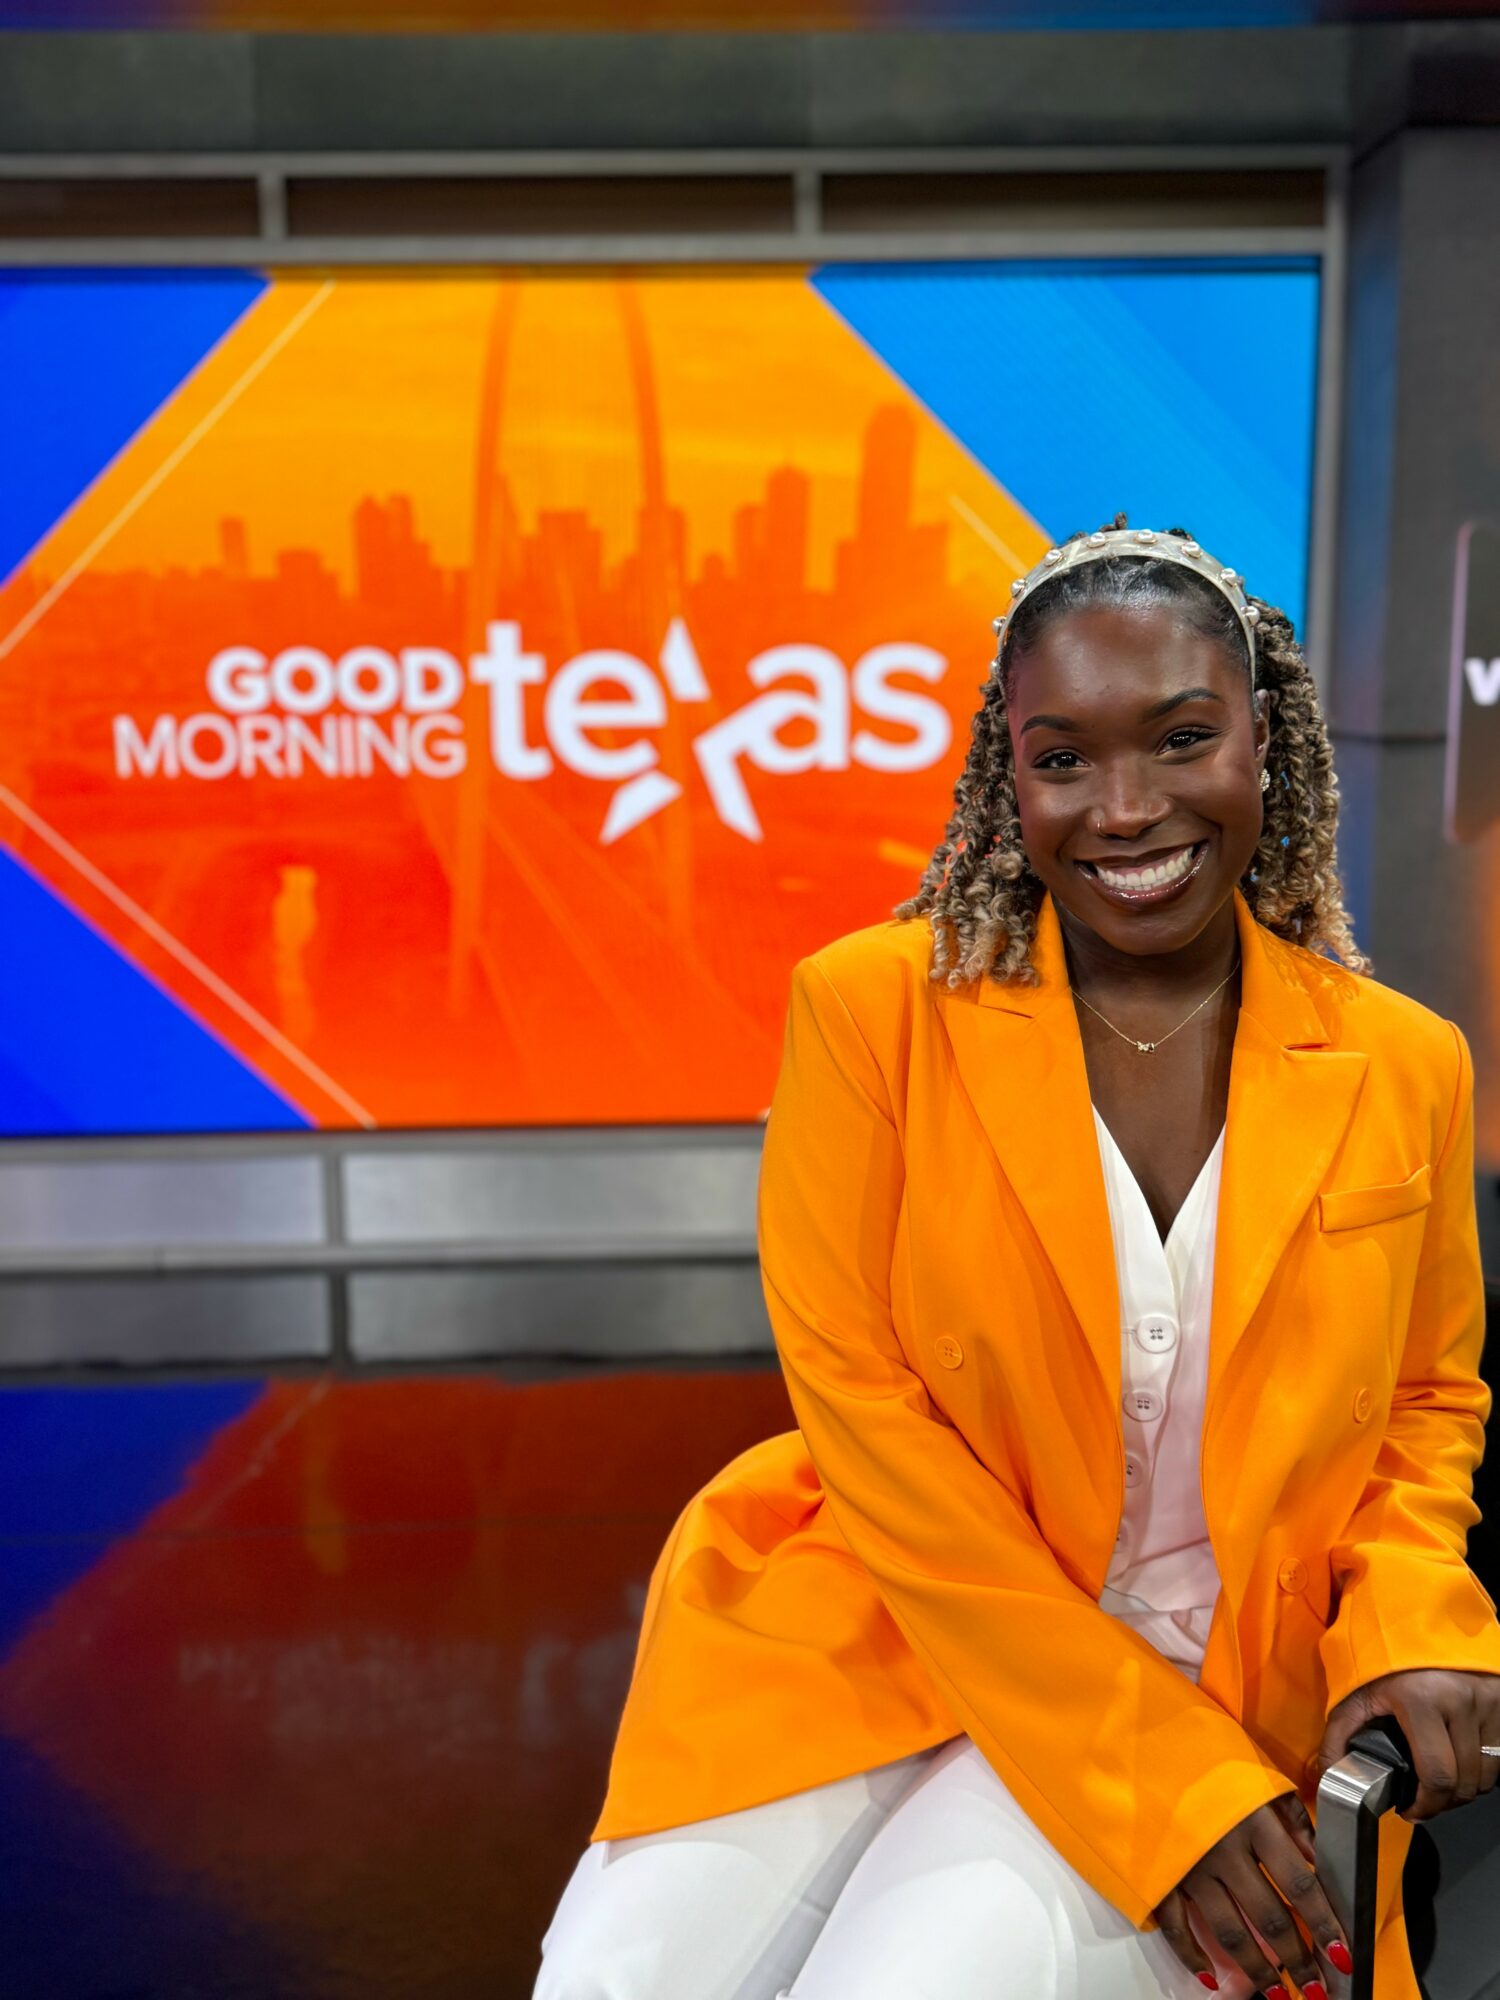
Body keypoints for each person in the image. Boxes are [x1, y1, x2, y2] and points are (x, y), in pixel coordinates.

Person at [533, 517, 1500, 2000]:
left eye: (1182, 739)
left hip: (1213, 1665)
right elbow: (864, 1419)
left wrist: (1416, 1622)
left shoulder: (1404, 1061)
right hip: (896, 1618)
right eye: (1065, 760)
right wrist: (1154, 1776)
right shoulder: (869, 1014)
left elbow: (1425, 1407)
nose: (1127, 809)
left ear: (1267, 742)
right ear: (1011, 775)